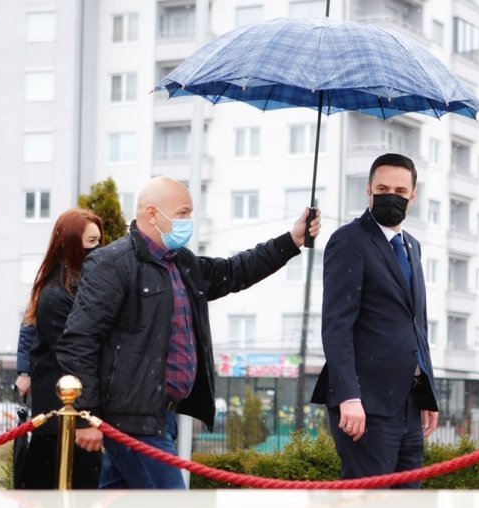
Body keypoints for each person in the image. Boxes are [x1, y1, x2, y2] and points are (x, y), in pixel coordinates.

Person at [57, 176, 321, 489]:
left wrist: (291, 241)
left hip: (161, 417)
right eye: (183, 213)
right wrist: (87, 416)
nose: (189, 222)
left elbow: (234, 271)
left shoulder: (181, 263)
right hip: (130, 421)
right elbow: (79, 340)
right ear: (153, 214)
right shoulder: (112, 263)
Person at [311, 153, 438, 488]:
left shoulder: (412, 246)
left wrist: (429, 394)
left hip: (409, 404)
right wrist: (350, 398)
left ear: (413, 196)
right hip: (365, 406)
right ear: (368, 190)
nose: (390, 195)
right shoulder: (349, 240)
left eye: (400, 189)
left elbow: (417, 325)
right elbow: (337, 327)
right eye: (382, 187)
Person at [16, 209, 105, 489]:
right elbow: (76, 355)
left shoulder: (80, 287)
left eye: (100, 240)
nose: (98, 248)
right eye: (91, 241)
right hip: (62, 422)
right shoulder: (58, 294)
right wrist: (86, 418)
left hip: (71, 418)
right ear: (69, 242)